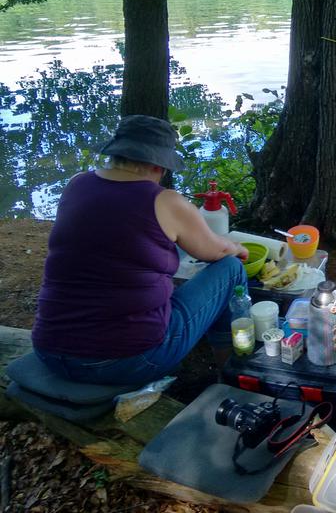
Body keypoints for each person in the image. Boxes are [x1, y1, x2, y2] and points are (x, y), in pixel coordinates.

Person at [31, 114, 249, 387]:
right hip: (127, 361)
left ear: (115, 154)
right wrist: (237, 247)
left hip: (49, 349)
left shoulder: (77, 184)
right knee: (231, 269)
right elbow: (215, 252)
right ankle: (230, 371)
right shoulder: (166, 201)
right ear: (159, 165)